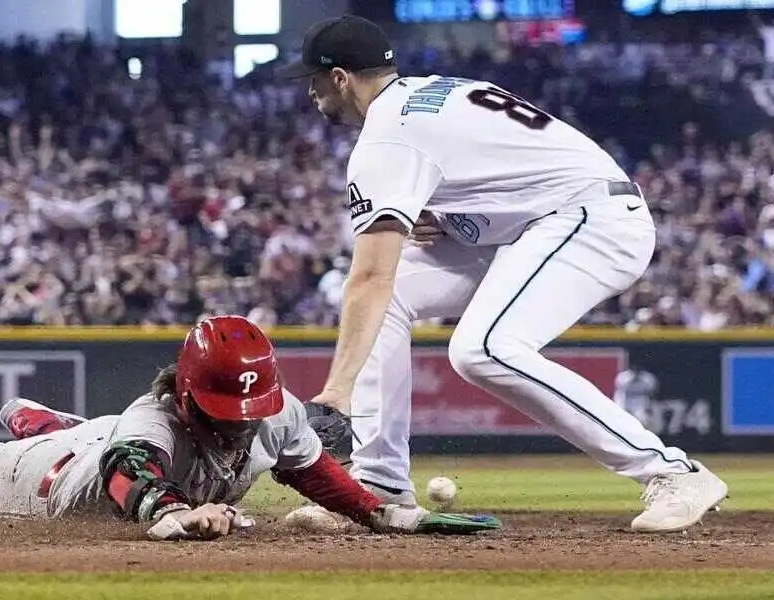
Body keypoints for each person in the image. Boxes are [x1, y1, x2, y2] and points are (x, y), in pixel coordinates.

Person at [276, 15, 727, 532]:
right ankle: (380, 484)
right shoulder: (434, 92)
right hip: (546, 219)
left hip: (592, 221)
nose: (309, 91)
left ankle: (669, 470)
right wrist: (453, 220)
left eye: (312, 78)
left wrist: (337, 392)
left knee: (481, 348)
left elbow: (369, 276)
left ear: (341, 78)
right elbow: (510, 176)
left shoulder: (387, 140)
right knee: (399, 294)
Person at [0, 286, 500, 540]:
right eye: (227, 407)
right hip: (35, 486)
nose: (242, 421)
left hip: (116, 444)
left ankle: (58, 426)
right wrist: (170, 512)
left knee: (118, 438)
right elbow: (129, 470)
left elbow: (316, 471)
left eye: (250, 407)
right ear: (188, 394)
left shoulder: (274, 410)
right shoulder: (155, 424)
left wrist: (390, 514)